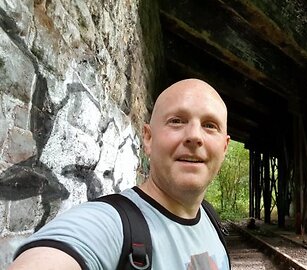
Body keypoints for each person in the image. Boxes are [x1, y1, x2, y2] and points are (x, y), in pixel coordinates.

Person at [9, 78, 231, 270]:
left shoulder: (209, 218)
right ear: (148, 138)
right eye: (176, 121)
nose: (194, 136)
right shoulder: (109, 225)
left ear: (224, 147)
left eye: (210, 125)